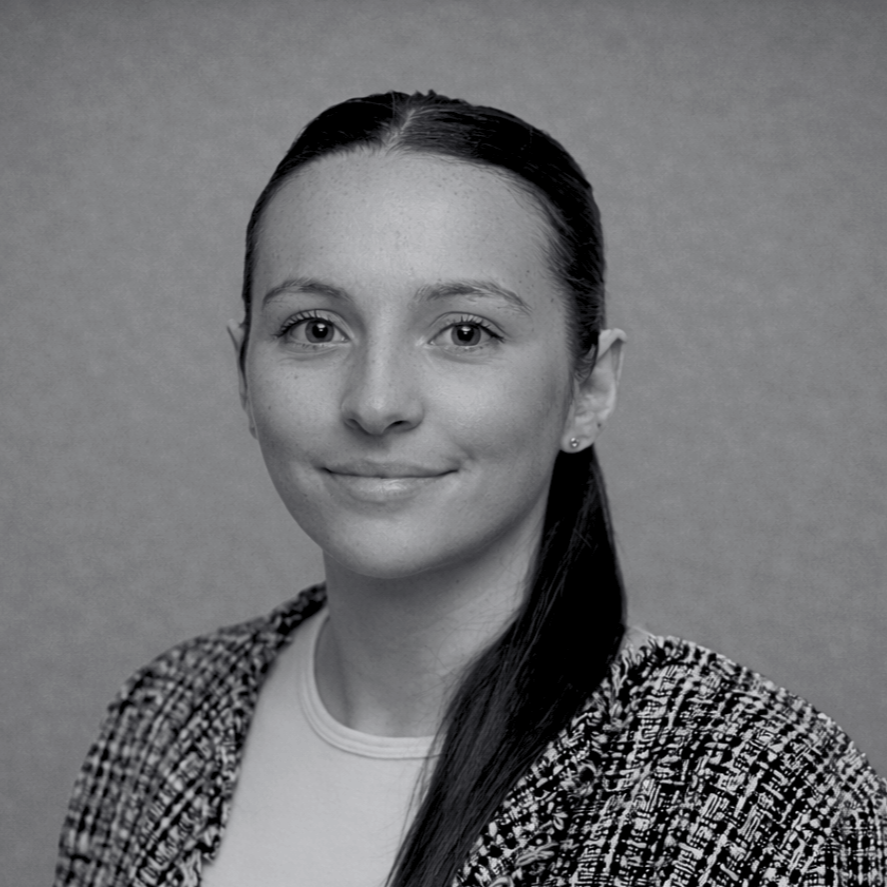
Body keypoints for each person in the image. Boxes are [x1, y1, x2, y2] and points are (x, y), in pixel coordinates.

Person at [55, 91, 886, 887]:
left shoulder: (768, 794)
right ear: (243, 370)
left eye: (464, 332)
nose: (376, 401)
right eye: (315, 328)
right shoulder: (162, 715)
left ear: (588, 387)